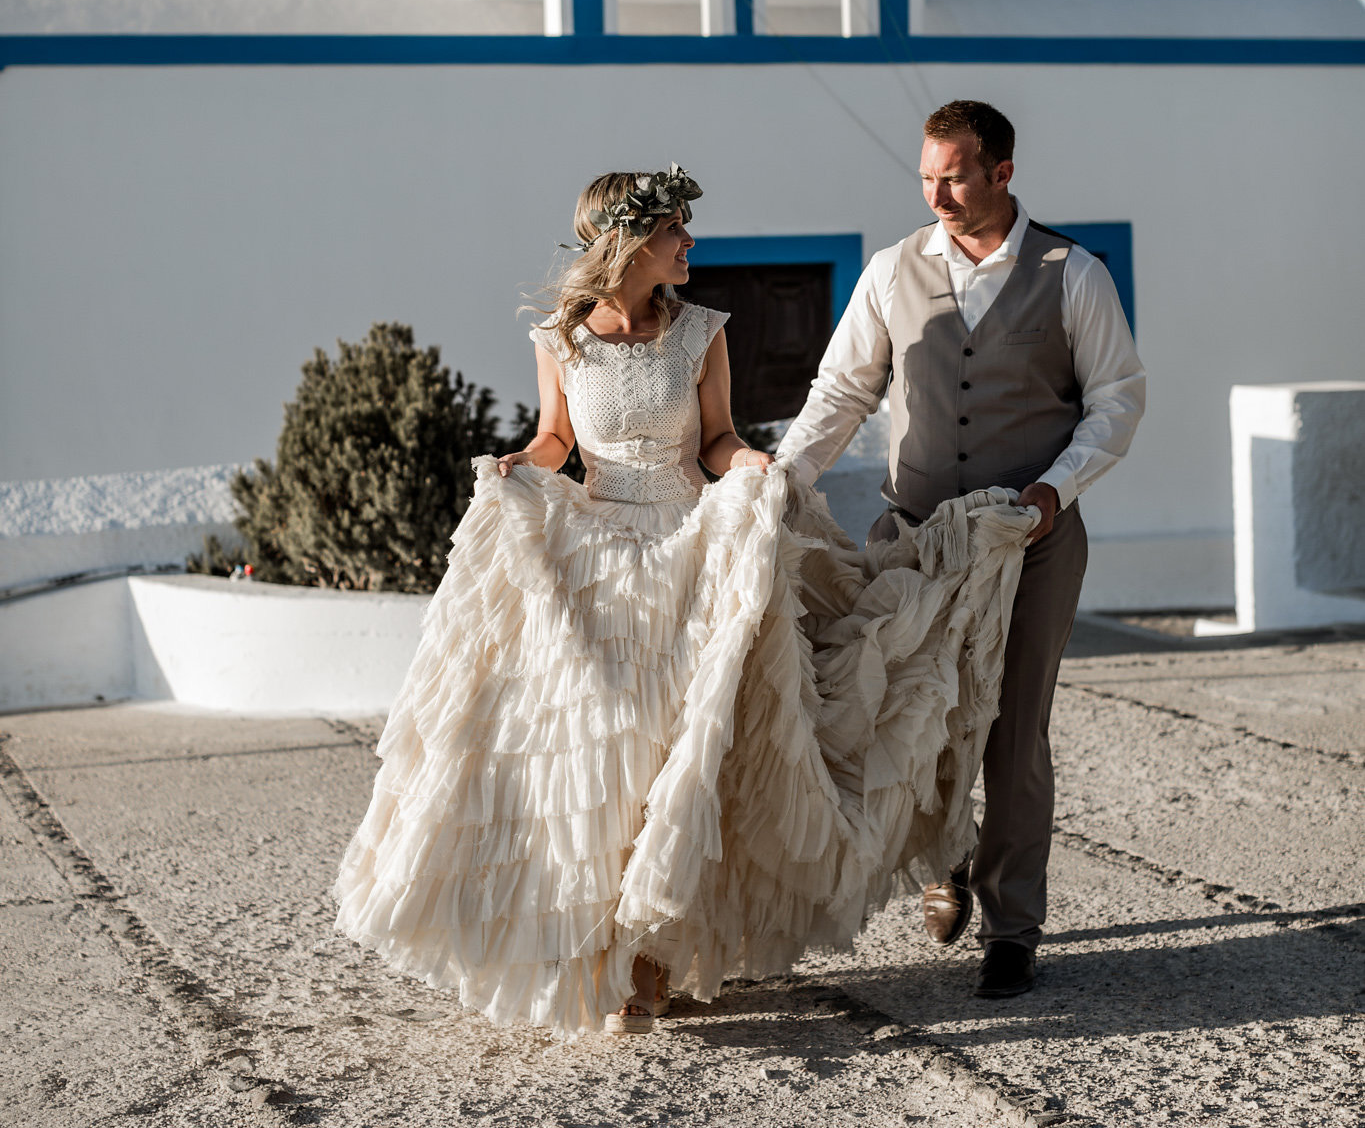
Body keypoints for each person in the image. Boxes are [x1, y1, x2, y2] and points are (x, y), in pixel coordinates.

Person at [334, 164, 1042, 1036]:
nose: (690, 243)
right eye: (676, 229)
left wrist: (760, 473)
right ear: (631, 241)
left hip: (685, 545)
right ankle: (599, 947)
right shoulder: (560, 337)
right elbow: (557, 437)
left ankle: (646, 961)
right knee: (595, 748)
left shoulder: (702, 330)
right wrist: (518, 467)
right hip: (593, 551)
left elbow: (717, 440)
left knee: (680, 746)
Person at [776, 101, 1146, 1000]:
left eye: (953, 175)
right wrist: (780, 480)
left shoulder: (1073, 272)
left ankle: (1013, 929)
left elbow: (1117, 400)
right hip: (913, 536)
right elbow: (841, 392)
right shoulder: (887, 270)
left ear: (1000, 174)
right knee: (909, 717)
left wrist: (1055, 489)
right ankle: (943, 864)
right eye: (926, 178)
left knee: (1013, 734)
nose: (936, 194)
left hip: (1033, 541)